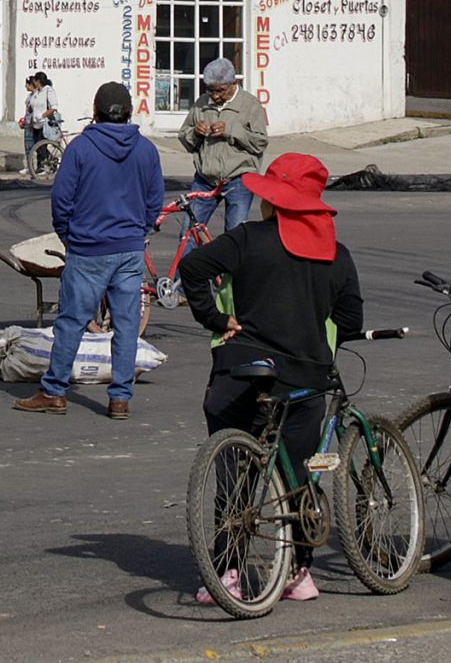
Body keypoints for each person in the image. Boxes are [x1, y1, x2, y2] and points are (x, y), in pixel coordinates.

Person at [176, 153, 363, 605]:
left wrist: (217, 319)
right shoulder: (336, 255)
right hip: (304, 379)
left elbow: (193, 268)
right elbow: (351, 320)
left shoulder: (249, 239)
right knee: (299, 475)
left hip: (241, 372)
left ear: (272, 202)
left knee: (234, 476)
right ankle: (299, 574)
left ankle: (229, 573)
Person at [15, 80, 165, 419]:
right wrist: (138, 231)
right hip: (129, 249)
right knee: (126, 325)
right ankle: (120, 398)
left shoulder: (81, 149)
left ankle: (54, 391)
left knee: (71, 322)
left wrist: (69, 235)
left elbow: (61, 199)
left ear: (95, 113)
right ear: (129, 113)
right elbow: (155, 201)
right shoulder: (146, 150)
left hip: (88, 248)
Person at [179, 57, 265, 232]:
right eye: (211, 90)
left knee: (235, 234)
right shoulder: (201, 104)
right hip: (205, 179)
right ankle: (189, 260)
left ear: (233, 83)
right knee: (189, 232)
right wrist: (195, 133)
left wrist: (231, 130)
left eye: (220, 90)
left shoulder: (250, 105)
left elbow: (260, 142)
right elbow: (184, 137)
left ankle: (230, 260)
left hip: (238, 178)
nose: (215, 96)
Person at [19, 72, 62, 176]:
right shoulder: (37, 92)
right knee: (38, 146)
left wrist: (43, 115)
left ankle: (44, 165)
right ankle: (45, 164)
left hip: (45, 123)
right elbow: (32, 105)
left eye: (35, 81)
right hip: (36, 124)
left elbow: (54, 107)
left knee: (41, 146)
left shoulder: (48, 90)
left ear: (38, 81)